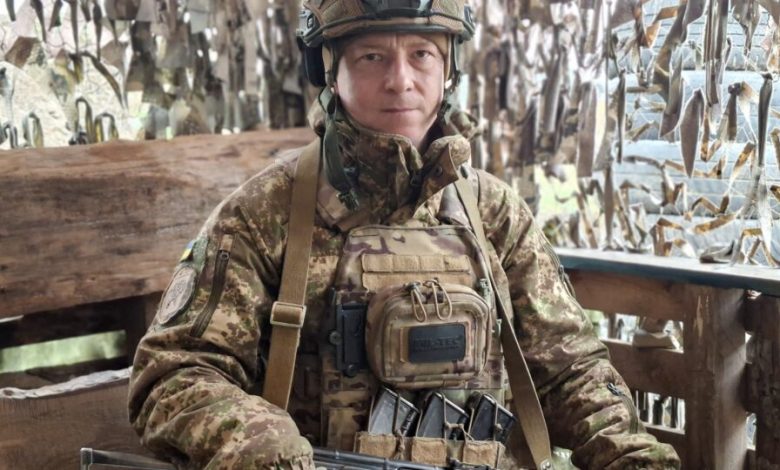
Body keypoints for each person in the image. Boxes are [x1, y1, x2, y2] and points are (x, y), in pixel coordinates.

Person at [128, 1, 681, 469]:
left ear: (448, 69)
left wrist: (631, 455)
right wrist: (265, 447)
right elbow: (174, 374)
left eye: (421, 54)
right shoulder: (266, 213)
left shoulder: (492, 213)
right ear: (330, 70)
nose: (400, 80)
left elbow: (569, 371)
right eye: (372, 57)